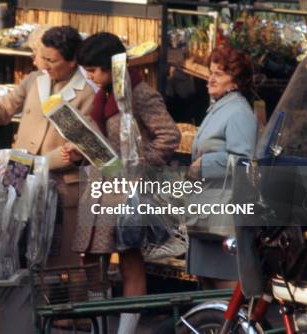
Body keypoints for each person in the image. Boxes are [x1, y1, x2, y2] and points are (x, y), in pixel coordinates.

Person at [63, 32, 180, 334]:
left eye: (94, 69)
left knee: (129, 257)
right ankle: (98, 327)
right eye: (86, 69)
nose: (89, 75)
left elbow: (169, 137)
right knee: (90, 257)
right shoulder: (102, 93)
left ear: (111, 65)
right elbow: (100, 141)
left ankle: (126, 330)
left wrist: (138, 166)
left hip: (127, 190)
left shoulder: (140, 93)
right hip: (98, 188)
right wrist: (78, 152)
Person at [0, 26, 95, 267]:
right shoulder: (34, 81)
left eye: (52, 60)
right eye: (44, 58)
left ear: (72, 61)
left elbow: (83, 145)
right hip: (18, 173)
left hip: (58, 181)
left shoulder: (87, 93)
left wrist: (44, 161)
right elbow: (3, 112)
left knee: (56, 257)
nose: (45, 65)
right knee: (11, 244)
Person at [186, 45, 257, 289]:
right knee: (210, 287)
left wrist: (204, 165)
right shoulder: (221, 106)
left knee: (224, 287)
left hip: (223, 215)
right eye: (211, 71)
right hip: (210, 211)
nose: (211, 78)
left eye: (219, 73)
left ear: (234, 81)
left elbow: (244, 160)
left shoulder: (238, 111)